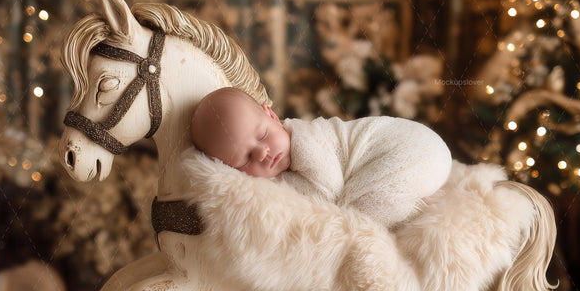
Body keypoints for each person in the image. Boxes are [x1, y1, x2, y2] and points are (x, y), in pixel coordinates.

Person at [190, 87, 452, 229]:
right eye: (245, 159)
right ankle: (416, 200)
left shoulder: (308, 140)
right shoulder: (283, 153)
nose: (262, 152)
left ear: (271, 116)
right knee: (372, 198)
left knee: (358, 217)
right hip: (419, 155)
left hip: (412, 149)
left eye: (262, 135)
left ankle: (412, 212)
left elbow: (329, 192)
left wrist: (280, 185)